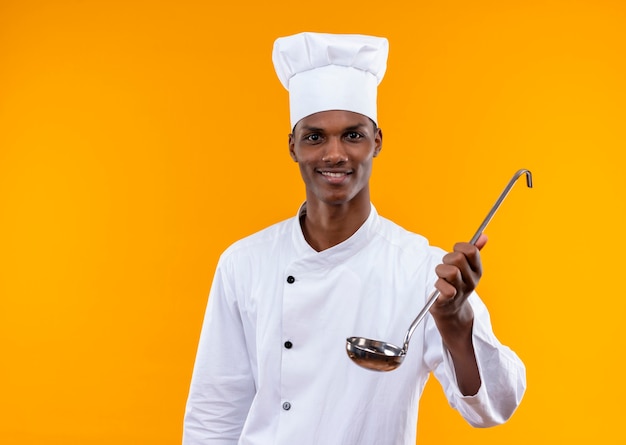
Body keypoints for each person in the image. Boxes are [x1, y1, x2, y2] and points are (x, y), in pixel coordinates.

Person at [183, 32, 526, 445]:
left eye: (352, 134)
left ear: (376, 141)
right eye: (314, 137)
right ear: (292, 146)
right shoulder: (244, 262)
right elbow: (215, 414)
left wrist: (457, 322)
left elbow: (496, 406)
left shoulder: (422, 270)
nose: (334, 154)